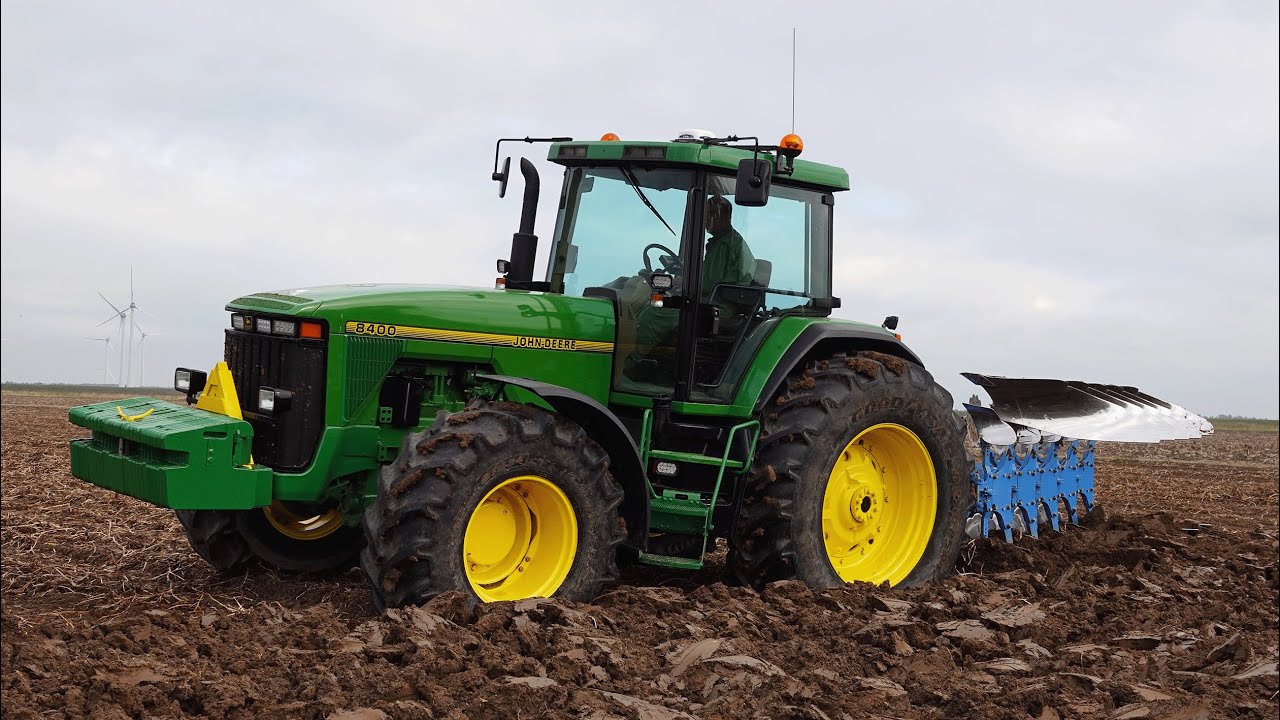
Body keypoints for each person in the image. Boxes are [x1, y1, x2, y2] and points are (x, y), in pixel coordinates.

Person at [621, 195, 757, 386]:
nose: (706, 221)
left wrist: (677, 281)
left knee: (654, 313)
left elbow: (706, 283)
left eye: (709, 215)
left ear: (721, 216)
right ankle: (653, 362)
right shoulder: (728, 241)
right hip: (715, 302)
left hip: (715, 306)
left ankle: (627, 365)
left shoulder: (724, 245)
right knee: (656, 303)